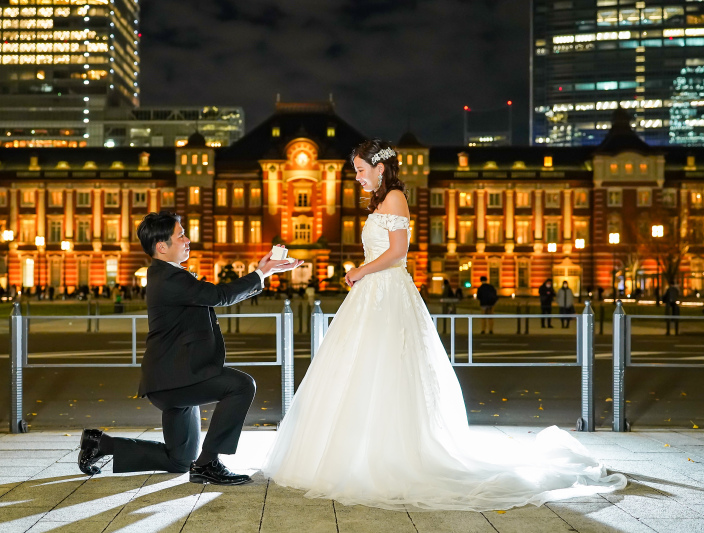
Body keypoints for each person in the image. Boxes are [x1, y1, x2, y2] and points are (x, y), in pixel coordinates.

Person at [262, 139, 625, 511]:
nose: (356, 177)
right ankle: (357, 450)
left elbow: (398, 252)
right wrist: (362, 273)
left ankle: (387, 454)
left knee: (388, 368)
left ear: (379, 168)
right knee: (361, 369)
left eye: (360, 170)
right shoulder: (380, 202)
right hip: (371, 294)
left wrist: (359, 271)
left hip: (388, 292)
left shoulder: (395, 198)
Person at [77, 211, 302, 485]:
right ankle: (208, 464)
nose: (187, 240)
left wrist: (261, 272)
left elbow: (213, 296)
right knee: (241, 386)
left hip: (174, 377)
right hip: (175, 380)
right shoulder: (169, 278)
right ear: (162, 247)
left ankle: (101, 444)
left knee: (180, 460)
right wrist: (261, 272)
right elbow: (219, 296)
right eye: (180, 235)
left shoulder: (168, 275)